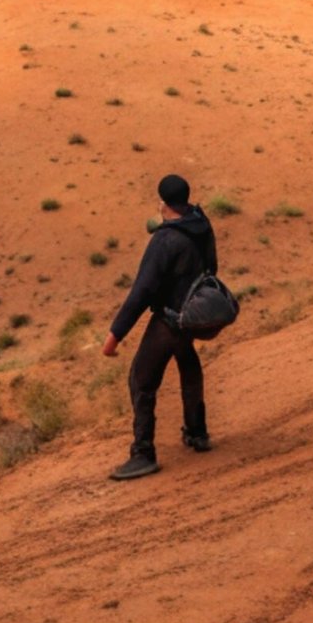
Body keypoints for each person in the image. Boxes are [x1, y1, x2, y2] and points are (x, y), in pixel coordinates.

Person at [101, 172, 216, 480]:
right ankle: (197, 432)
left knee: (141, 380)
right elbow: (212, 268)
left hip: (170, 318)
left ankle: (143, 453)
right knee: (187, 363)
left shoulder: (165, 240)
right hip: (195, 314)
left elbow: (142, 292)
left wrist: (115, 334)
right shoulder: (201, 224)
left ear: (163, 203)